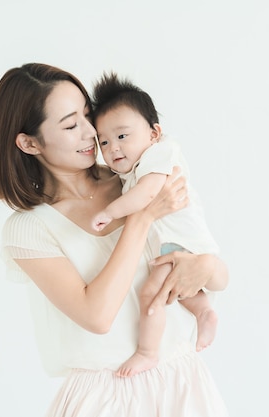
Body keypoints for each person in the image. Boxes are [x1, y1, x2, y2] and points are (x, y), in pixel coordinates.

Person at [0, 63, 230, 417]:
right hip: (106, 397)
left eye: (88, 115)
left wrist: (205, 264)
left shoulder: (134, 177)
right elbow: (97, 316)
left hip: (183, 382)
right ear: (29, 142)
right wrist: (142, 217)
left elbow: (219, 276)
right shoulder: (30, 228)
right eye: (71, 125)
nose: (90, 133)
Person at [90, 72, 220, 378]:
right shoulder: (135, 166)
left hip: (182, 241)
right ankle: (204, 312)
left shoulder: (159, 154)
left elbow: (148, 194)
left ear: (153, 133)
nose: (113, 149)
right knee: (179, 289)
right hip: (178, 243)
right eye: (104, 142)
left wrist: (110, 211)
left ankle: (148, 352)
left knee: (150, 296)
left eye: (122, 136)